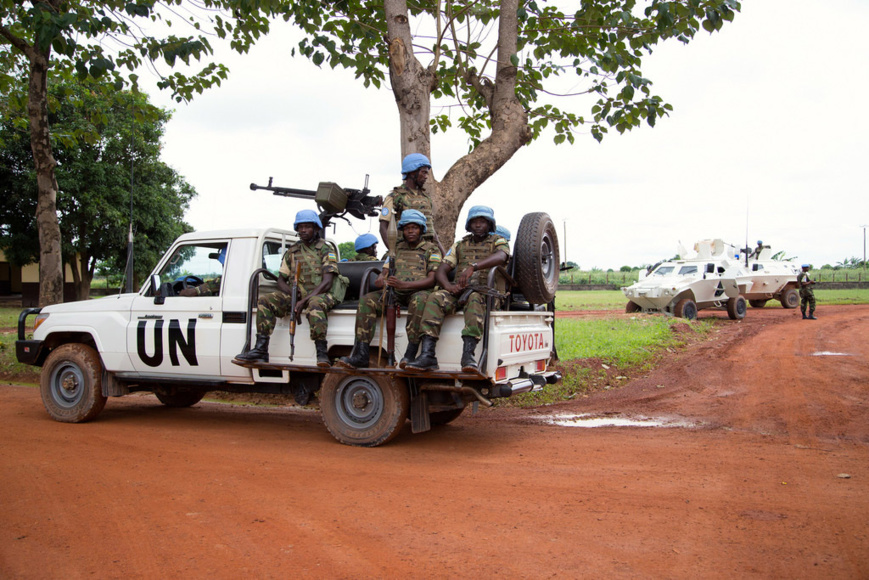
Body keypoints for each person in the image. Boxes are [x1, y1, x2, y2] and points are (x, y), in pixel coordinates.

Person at [408, 205, 509, 373]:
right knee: (435, 298)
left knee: (474, 298)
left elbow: (502, 256)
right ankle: (427, 355)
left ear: (489, 224)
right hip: (461, 291)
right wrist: (448, 286)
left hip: (486, 294)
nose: (478, 225)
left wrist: (474, 267)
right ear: (469, 225)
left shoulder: (498, 241)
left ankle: (468, 356)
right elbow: (442, 268)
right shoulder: (460, 245)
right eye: (474, 222)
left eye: (482, 222)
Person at [337, 210, 441, 369]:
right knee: (367, 300)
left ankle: (410, 354)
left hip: (418, 291)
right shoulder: (396, 248)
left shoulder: (431, 249)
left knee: (420, 300)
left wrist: (404, 285)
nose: (411, 231)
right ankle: (361, 354)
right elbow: (385, 271)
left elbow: (432, 279)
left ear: (421, 229)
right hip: (395, 291)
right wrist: (382, 279)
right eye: (407, 228)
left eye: (414, 227)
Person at [235, 209, 339, 366]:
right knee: (265, 301)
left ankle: (322, 353)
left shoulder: (326, 249)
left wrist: (303, 301)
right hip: (297, 295)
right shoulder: (292, 251)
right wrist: (290, 292)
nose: (303, 230)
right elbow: (281, 280)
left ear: (316, 228)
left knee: (315, 305)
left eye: (307, 226)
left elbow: (327, 282)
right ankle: (261, 349)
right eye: (300, 227)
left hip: (321, 294)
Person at [380, 153, 445, 255]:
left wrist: (444, 255)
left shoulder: (426, 198)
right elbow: (383, 227)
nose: (426, 177)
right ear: (412, 172)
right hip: (405, 251)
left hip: (429, 252)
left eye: (427, 173)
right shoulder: (395, 197)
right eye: (423, 172)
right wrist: (394, 253)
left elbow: (432, 232)